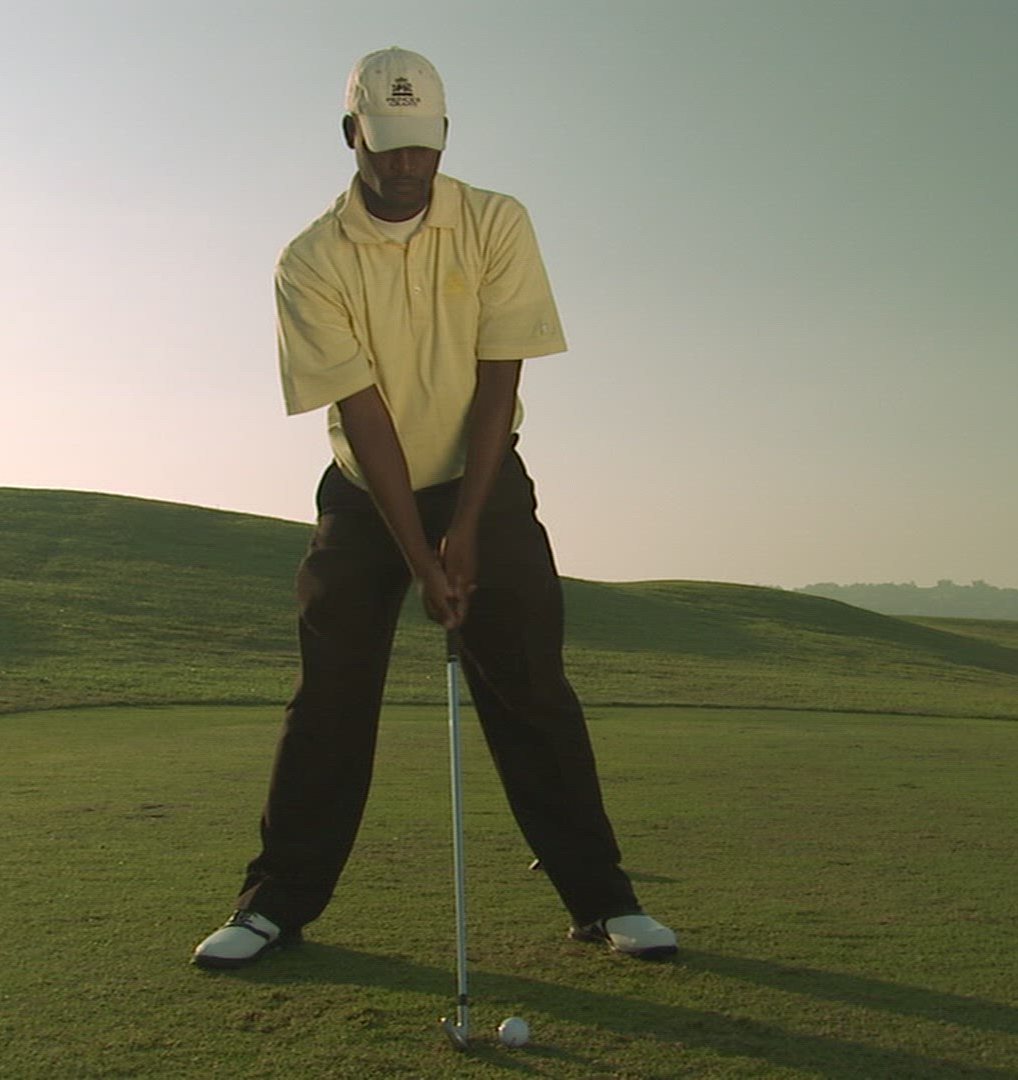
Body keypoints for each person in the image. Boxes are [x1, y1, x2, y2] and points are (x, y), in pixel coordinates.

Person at [193, 47, 675, 969]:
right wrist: (423, 556)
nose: (408, 165)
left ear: (445, 135)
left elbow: (500, 380)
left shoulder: (496, 221)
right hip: (365, 494)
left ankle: (603, 899)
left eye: (424, 144)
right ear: (352, 136)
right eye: (388, 146)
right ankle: (273, 905)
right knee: (331, 697)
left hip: (482, 477)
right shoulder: (311, 260)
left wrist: (468, 529)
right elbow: (364, 412)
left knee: (531, 687)